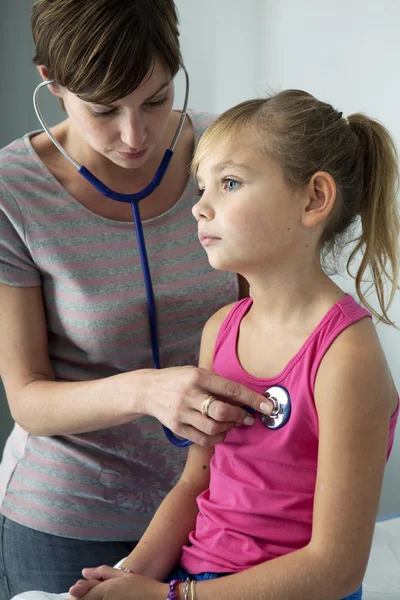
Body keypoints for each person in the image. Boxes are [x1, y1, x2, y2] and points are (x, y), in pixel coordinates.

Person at [61, 89, 398, 600]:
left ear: (314, 199)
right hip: (192, 580)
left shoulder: (345, 356)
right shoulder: (220, 329)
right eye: (202, 187)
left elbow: (335, 569)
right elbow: (196, 484)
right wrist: (135, 575)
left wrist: (170, 598)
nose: (199, 207)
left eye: (230, 183)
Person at [0, 1, 271, 597]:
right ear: (53, 81)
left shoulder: (224, 154)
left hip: (220, 506)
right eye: (104, 110)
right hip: (69, 522)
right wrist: (148, 390)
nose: (135, 134)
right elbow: (28, 400)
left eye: (155, 98)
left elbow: (270, 319)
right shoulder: (11, 191)